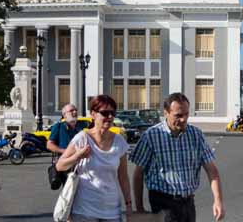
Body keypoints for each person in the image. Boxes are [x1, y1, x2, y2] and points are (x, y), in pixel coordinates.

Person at [131, 93, 225, 222]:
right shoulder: (151, 136)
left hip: (188, 203)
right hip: (163, 203)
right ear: (166, 113)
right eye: (178, 115)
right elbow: (138, 174)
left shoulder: (196, 135)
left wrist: (218, 201)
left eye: (186, 114)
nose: (183, 119)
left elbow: (212, 170)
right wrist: (140, 208)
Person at [55, 94, 131, 222]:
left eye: (112, 113)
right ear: (93, 114)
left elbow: (123, 177)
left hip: (112, 211)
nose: (110, 117)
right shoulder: (82, 138)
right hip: (84, 211)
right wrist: (78, 156)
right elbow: (60, 165)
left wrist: (129, 205)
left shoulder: (119, 142)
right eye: (105, 113)